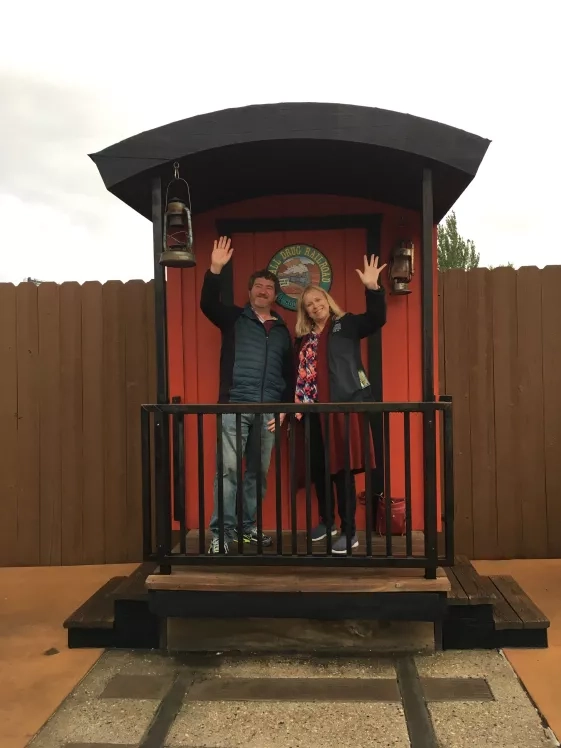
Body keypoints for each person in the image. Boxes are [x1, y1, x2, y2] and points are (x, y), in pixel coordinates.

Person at [200, 236, 294, 554]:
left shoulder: (283, 330)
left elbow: (289, 376)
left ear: (275, 294)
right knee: (227, 471)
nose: (263, 291)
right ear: (250, 292)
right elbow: (207, 305)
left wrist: (283, 410)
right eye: (259, 287)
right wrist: (214, 268)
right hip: (234, 407)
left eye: (269, 288)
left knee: (257, 474)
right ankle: (222, 533)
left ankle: (248, 528)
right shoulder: (233, 319)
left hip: (268, 413)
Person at [294, 254, 387, 554]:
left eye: (318, 300)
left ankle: (350, 531)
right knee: (320, 469)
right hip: (313, 412)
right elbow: (297, 376)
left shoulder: (346, 324)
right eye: (309, 304)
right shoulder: (304, 339)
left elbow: (377, 319)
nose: (315, 306)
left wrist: (373, 289)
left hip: (342, 410)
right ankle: (328, 521)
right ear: (305, 311)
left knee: (342, 470)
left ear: (326, 300)